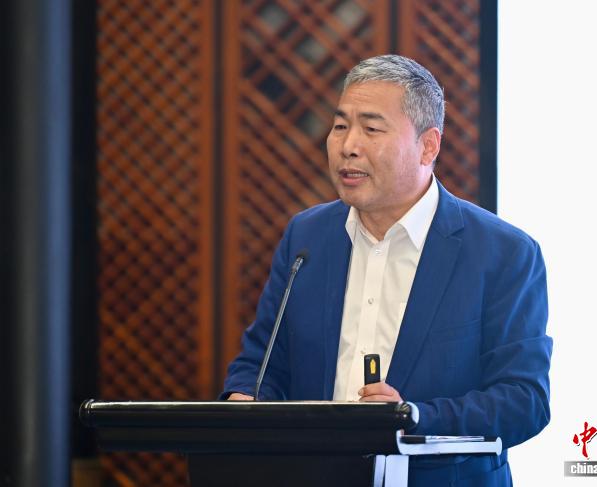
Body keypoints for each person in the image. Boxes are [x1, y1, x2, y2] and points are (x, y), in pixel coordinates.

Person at [222, 54, 552, 486]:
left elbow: (524, 401)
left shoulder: (503, 253)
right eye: (340, 126)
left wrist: (411, 417)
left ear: (428, 146)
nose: (348, 145)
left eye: (371, 129)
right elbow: (262, 360)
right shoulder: (307, 237)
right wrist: (245, 400)